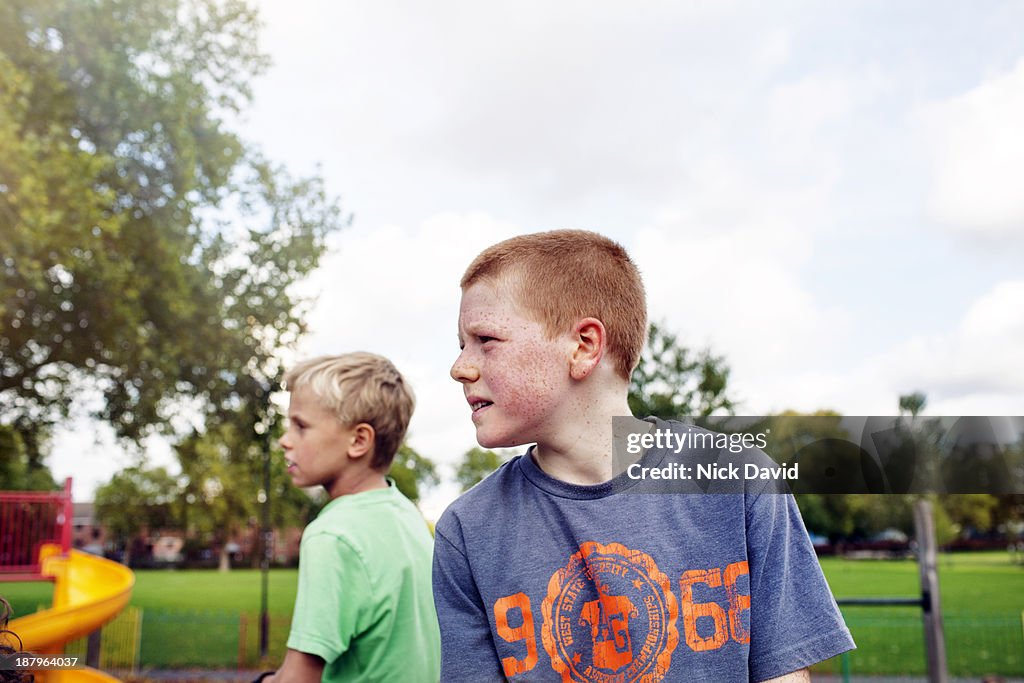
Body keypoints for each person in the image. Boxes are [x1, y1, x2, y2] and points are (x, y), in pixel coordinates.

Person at [433, 230, 855, 682]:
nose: (461, 367)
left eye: (486, 339)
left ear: (584, 347)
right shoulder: (467, 530)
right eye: (462, 345)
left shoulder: (739, 481)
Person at [268, 353, 440, 683]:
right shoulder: (407, 515)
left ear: (359, 440)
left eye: (300, 426)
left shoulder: (332, 535)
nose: (284, 440)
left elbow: (297, 678)